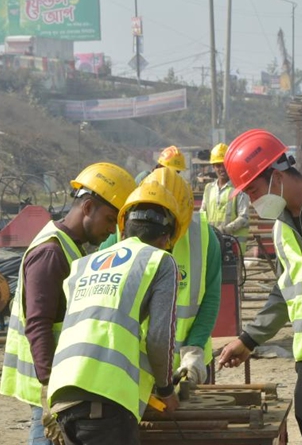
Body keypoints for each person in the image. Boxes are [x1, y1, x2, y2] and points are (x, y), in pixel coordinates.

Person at [218, 129, 302, 444]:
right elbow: (285, 291)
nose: (252, 200)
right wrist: (248, 340)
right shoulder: (281, 228)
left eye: (253, 189)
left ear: (276, 175)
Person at [0, 163, 136, 445]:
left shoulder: (71, 247)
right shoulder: (51, 252)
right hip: (49, 388)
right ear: (87, 208)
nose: (111, 230)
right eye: (110, 220)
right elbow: (38, 324)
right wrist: (50, 389)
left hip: (59, 383)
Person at [47, 180, 188, 445]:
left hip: (62, 397)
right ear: (167, 239)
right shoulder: (159, 260)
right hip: (105, 402)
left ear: (123, 230)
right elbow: (158, 338)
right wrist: (166, 389)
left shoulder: (84, 264)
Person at [149, 167, 221, 384]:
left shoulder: (203, 237)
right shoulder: (120, 234)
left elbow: (210, 299)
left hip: (188, 363)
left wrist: (194, 350)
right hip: (137, 367)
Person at [200, 142, 250, 250]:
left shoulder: (239, 188)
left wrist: (223, 230)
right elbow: (202, 214)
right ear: (213, 167)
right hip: (213, 243)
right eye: (218, 165)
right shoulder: (209, 189)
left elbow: (244, 217)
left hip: (233, 245)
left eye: (225, 165)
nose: (222, 169)